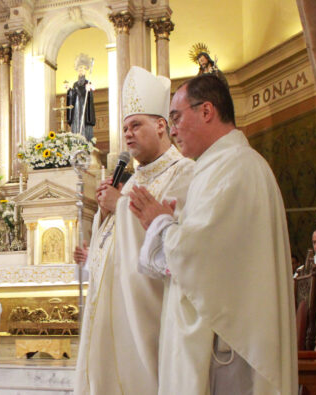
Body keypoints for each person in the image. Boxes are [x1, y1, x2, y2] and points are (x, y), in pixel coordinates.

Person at [130, 74, 297, 394]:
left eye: (176, 117)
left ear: (207, 111)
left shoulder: (233, 167)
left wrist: (160, 223)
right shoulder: (221, 164)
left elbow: (198, 255)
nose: (173, 130)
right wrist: (167, 224)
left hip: (228, 351)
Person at [73, 66, 194, 395]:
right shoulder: (130, 180)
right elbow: (110, 244)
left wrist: (120, 207)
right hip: (111, 310)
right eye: (125, 127)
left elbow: (176, 241)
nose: (127, 134)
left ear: (160, 125)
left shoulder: (184, 173)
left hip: (147, 316)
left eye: (136, 125)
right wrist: (104, 214)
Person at [66, 53, 96, 141]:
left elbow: (91, 92)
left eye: (82, 68)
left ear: (85, 70)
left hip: (84, 107)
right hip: (76, 108)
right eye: (79, 68)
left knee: (84, 125)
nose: (81, 70)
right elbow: (73, 94)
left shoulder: (88, 82)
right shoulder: (75, 84)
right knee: (76, 123)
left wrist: (89, 89)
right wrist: (69, 90)